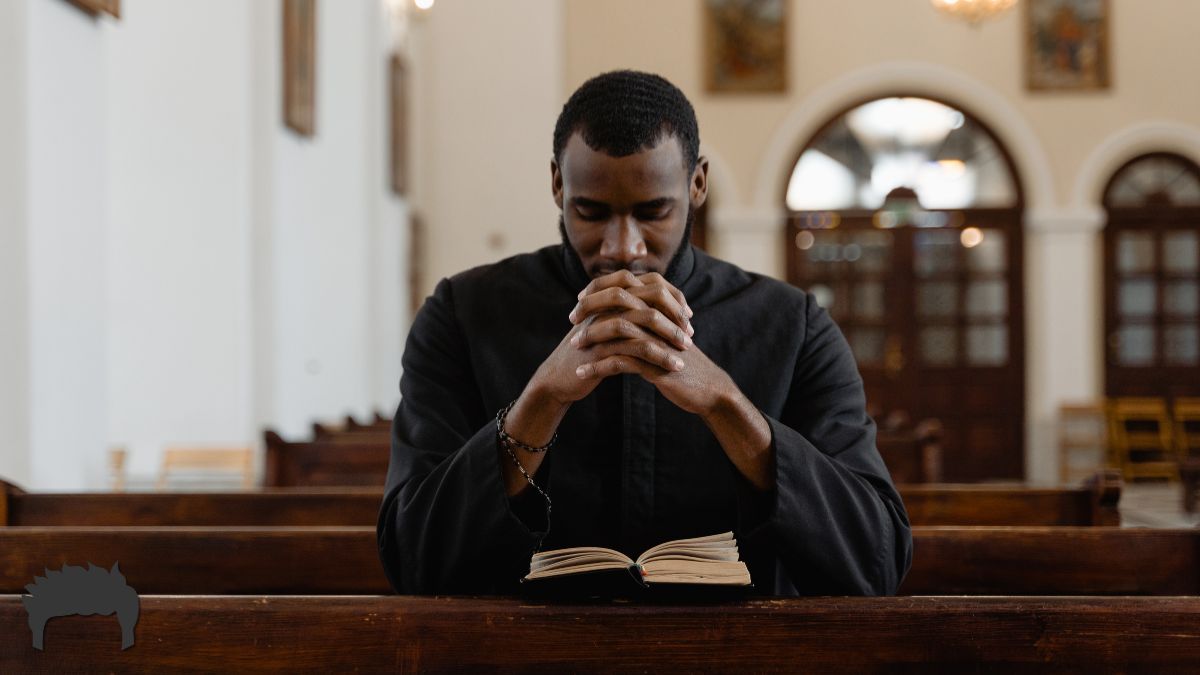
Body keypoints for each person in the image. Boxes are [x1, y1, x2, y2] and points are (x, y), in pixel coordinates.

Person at [377, 70, 912, 596]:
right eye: (590, 211)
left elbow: (875, 563)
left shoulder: (793, 324)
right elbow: (413, 561)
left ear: (697, 183)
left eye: (654, 211)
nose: (623, 247)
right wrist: (541, 399)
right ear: (558, 183)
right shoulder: (462, 314)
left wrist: (725, 404)